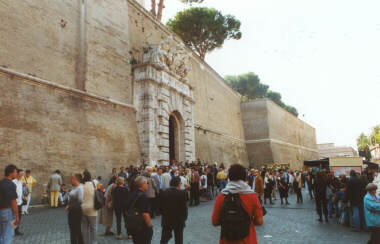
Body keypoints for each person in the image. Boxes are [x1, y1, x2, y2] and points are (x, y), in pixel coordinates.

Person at [212, 164, 263, 244]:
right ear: (244, 177)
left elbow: (214, 222)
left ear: (229, 177)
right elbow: (259, 221)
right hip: (248, 240)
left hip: (226, 240)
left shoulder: (221, 196)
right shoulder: (252, 196)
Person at [159, 177, 188, 244]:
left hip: (166, 219)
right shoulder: (182, 193)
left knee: (164, 239)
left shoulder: (164, 192)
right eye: (180, 182)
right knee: (179, 239)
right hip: (179, 220)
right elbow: (184, 208)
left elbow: (160, 207)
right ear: (178, 184)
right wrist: (184, 218)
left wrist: (164, 215)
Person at [127, 176, 153, 244]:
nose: (147, 185)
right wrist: (150, 226)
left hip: (133, 225)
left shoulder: (132, 193)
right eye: (147, 183)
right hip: (142, 227)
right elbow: (145, 214)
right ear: (143, 184)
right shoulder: (143, 196)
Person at [0, 164, 19, 244]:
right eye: (15, 172)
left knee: (2, 234)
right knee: (8, 234)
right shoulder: (11, 184)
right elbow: (13, 202)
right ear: (10, 173)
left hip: (1, 211)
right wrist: (17, 216)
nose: (16, 174)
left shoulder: (1, 183)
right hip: (7, 212)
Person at [66, 173, 84, 244]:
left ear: (75, 179)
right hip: (72, 212)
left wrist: (70, 206)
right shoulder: (75, 187)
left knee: (77, 230)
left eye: (71, 179)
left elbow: (80, 201)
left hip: (76, 212)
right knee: (73, 230)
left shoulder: (80, 188)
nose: (70, 181)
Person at [81, 171, 97, 244]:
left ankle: (85, 242)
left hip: (83, 208)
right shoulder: (94, 184)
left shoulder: (81, 185)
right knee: (93, 228)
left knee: (84, 228)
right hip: (92, 208)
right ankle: (94, 242)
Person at [13, 169, 26, 236]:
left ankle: (16, 230)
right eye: (21, 174)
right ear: (17, 174)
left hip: (20, 202)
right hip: (14, 203)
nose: (21, 175)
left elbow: (20, 191)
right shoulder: (13, 182)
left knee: (19, 217)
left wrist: (23, 196)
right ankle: (11, 230)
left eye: (22, 174)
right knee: (14, 217)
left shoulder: (20, 181)